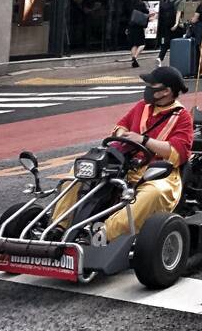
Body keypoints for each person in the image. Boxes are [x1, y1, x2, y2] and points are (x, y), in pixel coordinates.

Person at [52, 67, 193, 243]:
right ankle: (59, 226)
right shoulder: (142, 107)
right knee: (78, 173)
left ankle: (103, 235)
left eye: (152, 85)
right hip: (125, 164)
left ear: (166, 91)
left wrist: (143, 140)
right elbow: (121, 126)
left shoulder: (182, 117)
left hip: (158, 172)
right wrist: (122, 136)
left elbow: (178, 153)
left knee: (153, 194)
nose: (147, 88)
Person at [154, 0, 178, 66]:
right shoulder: (171, 5)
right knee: (170, 44)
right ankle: (169, 59)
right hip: (171, 28)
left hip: (163, 28)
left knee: (164, 44)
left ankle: (160, 57)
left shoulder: (160, 6)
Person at [126, 0, 148, 69]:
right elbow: (146, 13)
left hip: (131, 25)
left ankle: (133, 57)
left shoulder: (130, 4)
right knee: (142, 44)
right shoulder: (142, 4)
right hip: (139, 26)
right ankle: (135, 56)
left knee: (134, 44)